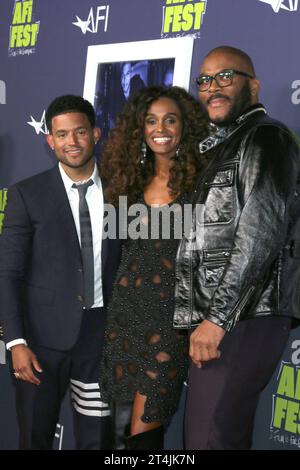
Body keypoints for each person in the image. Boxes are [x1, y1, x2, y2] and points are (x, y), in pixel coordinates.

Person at [173, 45, 300, 449]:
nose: (212, 87)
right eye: (205, 80)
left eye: (225, 76)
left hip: (243, 317)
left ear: (254, 85)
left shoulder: (266, 137)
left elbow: (259, 238)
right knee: (216, 436)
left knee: (209, 438)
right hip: (231, 316)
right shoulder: (224, 146)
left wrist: (216, 321)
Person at [0, 95, 120, 450]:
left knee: (97, 440)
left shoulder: (122, 190)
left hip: (102, 338)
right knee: (35, 438)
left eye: (80, 131)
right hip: (39, 343)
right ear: (50, 140)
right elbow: (7, 273)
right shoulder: (27, 194)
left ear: (96, 133)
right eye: (62, 134)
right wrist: (16, 342)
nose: (72, 142)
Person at [99, 85, 208, 450]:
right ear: (140, 129)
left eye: (170, 119)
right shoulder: (127, 185)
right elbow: (119, 255)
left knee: (144, 430)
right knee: (120, 432)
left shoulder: (202, 186)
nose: (160, 128)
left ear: (184, 127)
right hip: (125, 320)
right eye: (151, 120)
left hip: (170, 326)